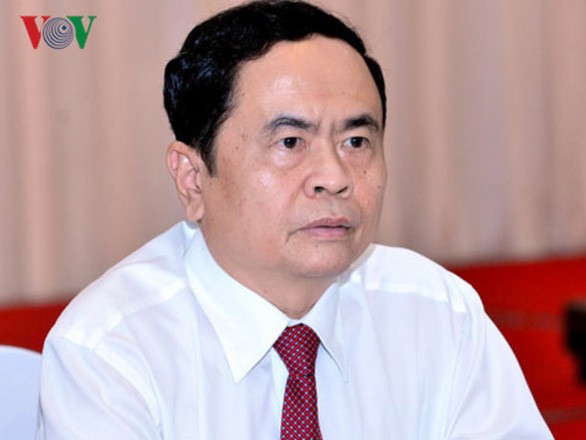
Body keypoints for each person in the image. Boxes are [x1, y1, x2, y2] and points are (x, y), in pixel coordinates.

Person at [37, 1, 552, 438]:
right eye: (290, 142)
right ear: (192, 179)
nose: (334, 177)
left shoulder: (439, 314)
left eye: (356, 141)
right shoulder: (111, 350)